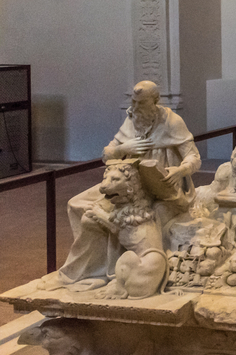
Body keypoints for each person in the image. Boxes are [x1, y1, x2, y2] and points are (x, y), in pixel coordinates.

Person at [41, 81, 201, 290]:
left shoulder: (172, 121)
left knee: (151, 216)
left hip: (162, 188)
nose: (135, 108)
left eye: (141, 103)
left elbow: (194, 157)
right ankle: (85, 271)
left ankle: (120, 272)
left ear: (155, 101)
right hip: (127, 186)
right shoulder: (132, 120)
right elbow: (107, 154)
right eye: (133, 102)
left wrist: (180, 170)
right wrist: (123, 148)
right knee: (77, 204)